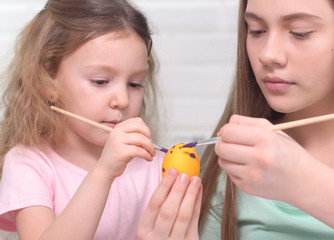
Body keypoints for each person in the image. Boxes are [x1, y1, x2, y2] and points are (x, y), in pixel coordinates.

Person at [0, 0, 202, 239]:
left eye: (134, 84)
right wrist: (103, 172)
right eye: (100, 81)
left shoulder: (158, 167)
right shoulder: (29, 165)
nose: (123, 99)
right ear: (47, 82)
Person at [199, 0, 334, 239]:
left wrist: (304, 180)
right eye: (256, 30)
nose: (268, 54)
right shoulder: (232, 162)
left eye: (299, 32)